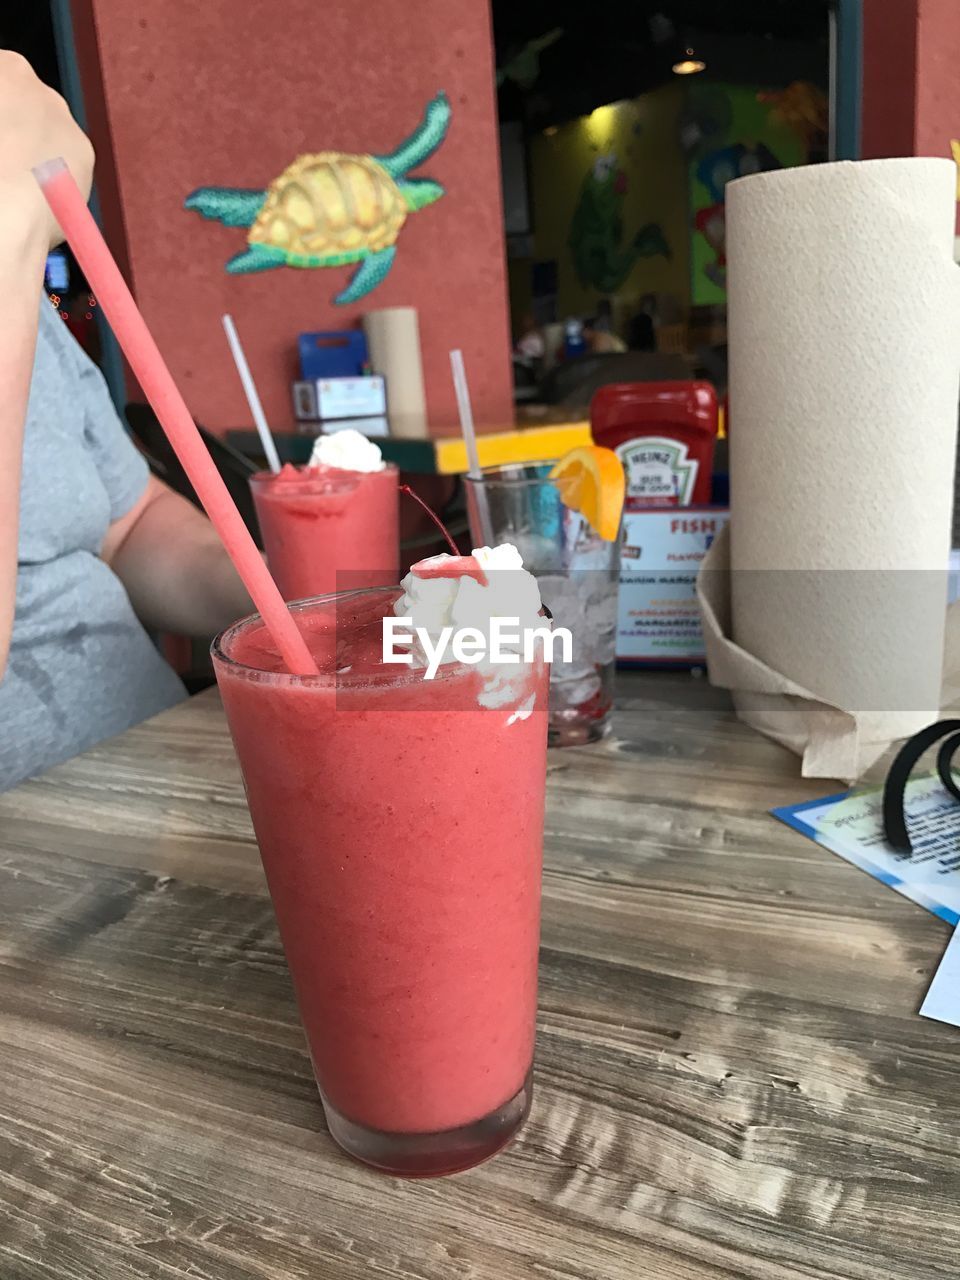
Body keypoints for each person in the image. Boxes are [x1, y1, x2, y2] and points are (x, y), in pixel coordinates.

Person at [0, 52, 253, 792]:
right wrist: (8, 241)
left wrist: (293, 603)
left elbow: (127, 522)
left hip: (174, 770)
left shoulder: (32, 323)